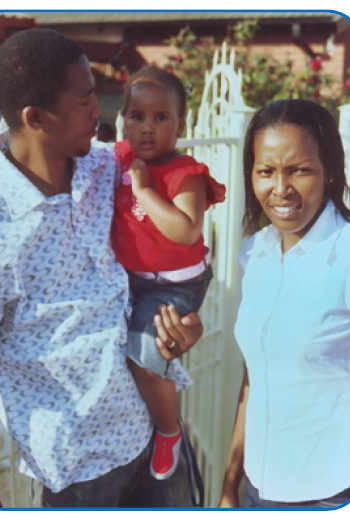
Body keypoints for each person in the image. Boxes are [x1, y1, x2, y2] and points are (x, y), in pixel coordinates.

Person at [0, 28, 212, 509]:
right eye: (84, 102)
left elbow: (175, 242)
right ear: (35, 118)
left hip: (154, 432)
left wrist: (185, 322)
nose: (100, 112)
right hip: (79, 471)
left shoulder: (108, 168)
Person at [219, 99, 350, 509]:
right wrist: (230, 486)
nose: (280, 189)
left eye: (299, 170)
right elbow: (254, 379)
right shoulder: (256, 252)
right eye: (266, 171)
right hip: (257, 490)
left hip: (331, 494)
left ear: (330, 170)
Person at [111, 65, 223, 481]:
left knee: (143, 358)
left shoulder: (184, 173)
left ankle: (168, 430)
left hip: (175, 285)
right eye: (137, 116)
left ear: (179, 125)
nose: (146, 127)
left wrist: (143, 191)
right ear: (123, 120)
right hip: (133, 280)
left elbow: (185, 229)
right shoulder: (121, 157)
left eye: (160, 118)